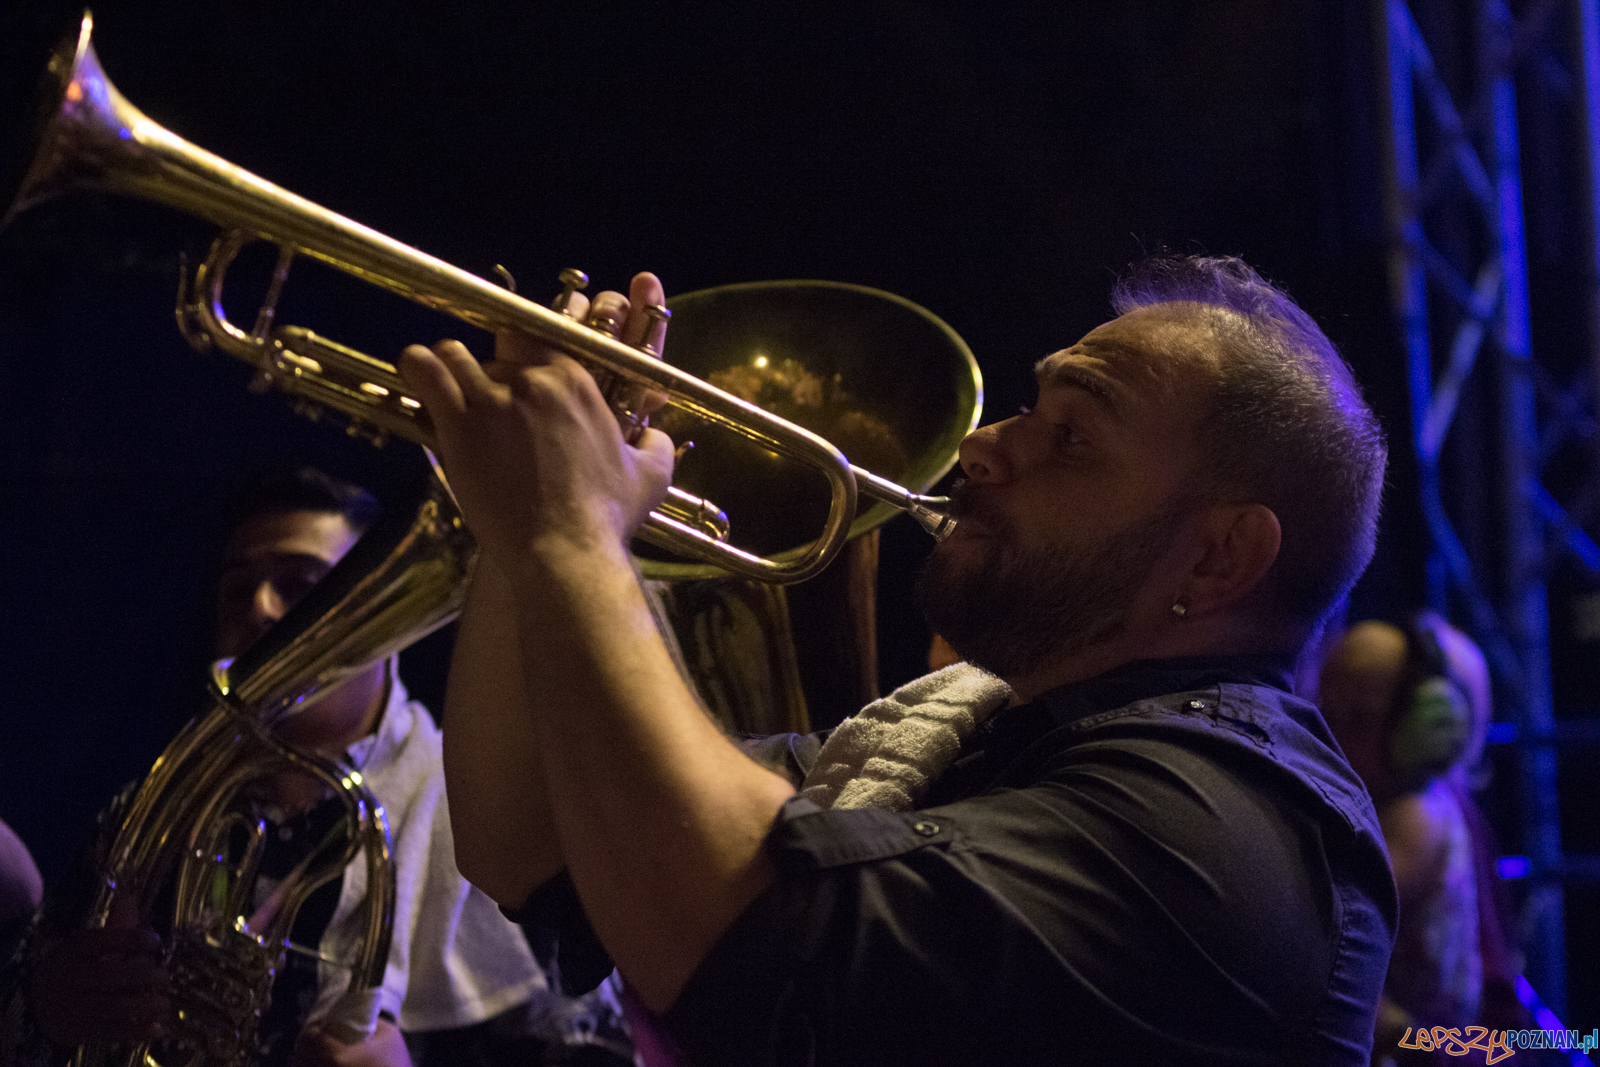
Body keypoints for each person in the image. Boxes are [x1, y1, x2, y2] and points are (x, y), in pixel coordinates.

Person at [399, 254, 1398, 1065]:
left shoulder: (1221, 823)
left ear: (1219, 557)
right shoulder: (970, 731)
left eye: (1071, 435)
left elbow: (749, 935)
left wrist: (571, 528)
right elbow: (531, 838)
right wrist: (520, 523)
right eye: (1029, 406)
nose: (981, 445)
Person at [2, 468, 549, 1066]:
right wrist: (46, 1008)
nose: (260, 610)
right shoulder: (152, 809)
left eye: (300, 585)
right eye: (238, 591)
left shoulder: (483, 821)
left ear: (389, 619)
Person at [1317, 615, 1538, 1066]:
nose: (1330, 735)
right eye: (1325, 711)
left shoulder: (1416, 815)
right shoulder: (1390, 802)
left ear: (1415, 727)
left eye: (1359, 718)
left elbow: (1324, 934)